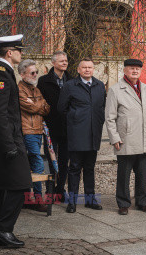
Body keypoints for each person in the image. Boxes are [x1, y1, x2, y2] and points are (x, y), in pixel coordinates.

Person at [0, 35, 32, 248]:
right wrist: (10, 146)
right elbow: (0, 114)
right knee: (21, 185)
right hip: (6, 143)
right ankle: (2, 229)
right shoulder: (0, 75)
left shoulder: (1, 73)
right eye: (19, 50)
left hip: (0, 143)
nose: (22, 54)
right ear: (9, 53)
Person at [105, 59, 146, 215]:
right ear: (125, 70)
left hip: (143, 137)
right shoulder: (115, 90)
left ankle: (143, 202)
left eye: (138, 69)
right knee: (124, 174)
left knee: (142, 174)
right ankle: (123, 203)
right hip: (125, 139)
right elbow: (110, 117)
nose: (135, 71)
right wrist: (114, 138)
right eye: (131, 68)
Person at [58, 58, 105, 213]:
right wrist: (74, 122)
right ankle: (72, 202)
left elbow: (102, 108)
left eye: (90, 67)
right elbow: (61, 109)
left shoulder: (99, 86)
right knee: (75, 168)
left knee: (90, 168)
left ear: (93, 69)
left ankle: (90, 200)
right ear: (78, 70)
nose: (87, 70)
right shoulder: (70, 86)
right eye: (84, 67)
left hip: (93, 133)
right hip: (77, 133)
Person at [37, 51, 71, 201]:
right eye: (61, 61)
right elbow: (40, 103)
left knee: (64, 160)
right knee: (51, 160)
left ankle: (60, 190)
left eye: (66, 60)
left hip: (68, 127)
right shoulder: (44, 81)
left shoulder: (71, 80)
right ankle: (50, 190)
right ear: (53, 63)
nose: (65, 63)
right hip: (50, 127)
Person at [18, 59, 50, 212]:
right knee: (36, 162)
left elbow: (47, 108)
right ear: (23, 74)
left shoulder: (35, 90)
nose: (35, 74)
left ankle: (27, 199)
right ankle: (37, 199)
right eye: (32, 72)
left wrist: (35, 104)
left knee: (32, 162)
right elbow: (30, 108)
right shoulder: (20, 89)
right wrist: (38, 105)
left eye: (36, 72)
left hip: (38, 130)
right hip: (28, 131)